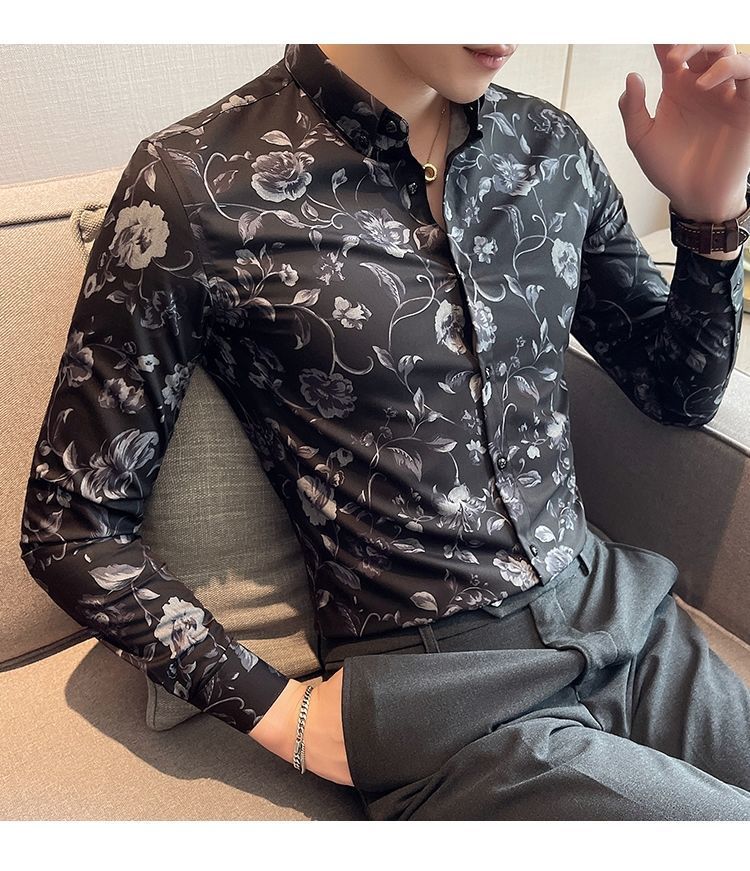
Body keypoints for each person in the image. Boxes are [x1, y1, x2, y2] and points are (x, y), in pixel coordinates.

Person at [18, 43, 750, 820]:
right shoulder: (196, 183)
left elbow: (674, 390)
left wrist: (713, 215)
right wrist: (284, 716)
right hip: (442, 698)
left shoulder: (550, 147)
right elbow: (71, 528)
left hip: (622, 614)